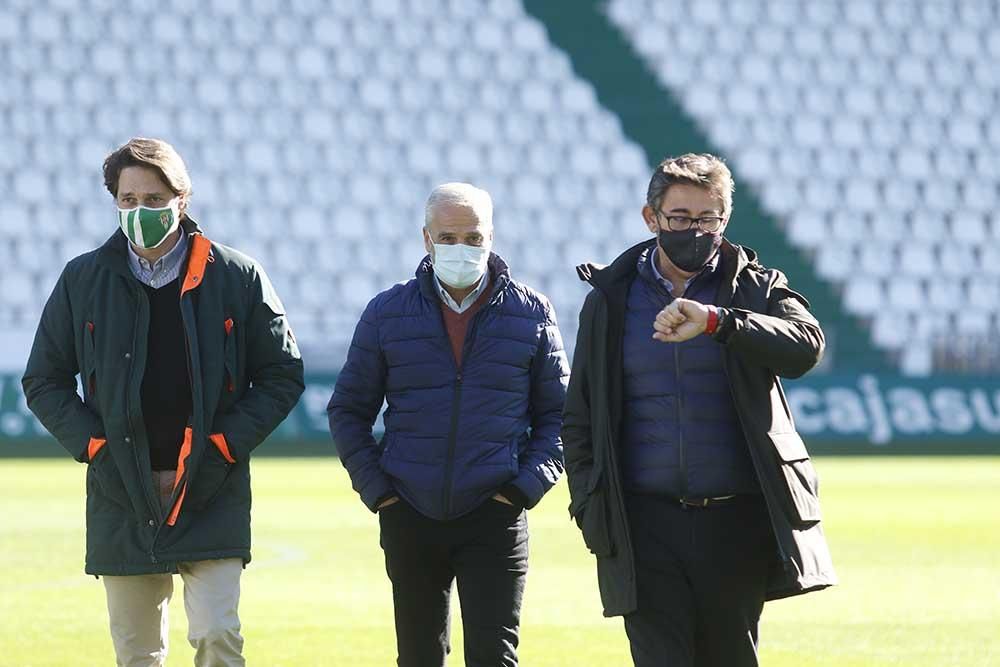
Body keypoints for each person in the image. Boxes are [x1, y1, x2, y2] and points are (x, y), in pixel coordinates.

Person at [22, 137, 304, 667]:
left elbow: (282, 375)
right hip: (120, 487)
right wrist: (95, 447)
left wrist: (223, 446)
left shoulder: (237, 276)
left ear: (182, 199)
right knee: (137, 655)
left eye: (153, 200)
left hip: (210, 483)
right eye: (128, 200)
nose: (139, 212)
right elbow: (44, 380)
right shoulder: (83, 279)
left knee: (218, 635)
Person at [562, 153, 836, 667]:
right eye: (680, 218)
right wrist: (589, 504)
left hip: (735, 522)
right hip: (641, 524)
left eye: (707, 219)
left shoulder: (755, 286)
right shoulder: (612, 297)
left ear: (724, 221)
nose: (694, 231)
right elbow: (579, 416)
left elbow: (807, 345)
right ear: (652, 219)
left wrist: (718, 321)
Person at [328, 182, 569, 667]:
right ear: (426, 239)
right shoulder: (386, 313)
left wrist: (521, 490)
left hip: (496, 515)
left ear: (492, 238)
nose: (462, 248)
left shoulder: (532, 312)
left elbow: (561, 418)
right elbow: (348, 410)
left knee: (494, 659)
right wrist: (381, 493)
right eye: (449, 237)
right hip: (409, 513)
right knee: (418, 657)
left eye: (474, 237)